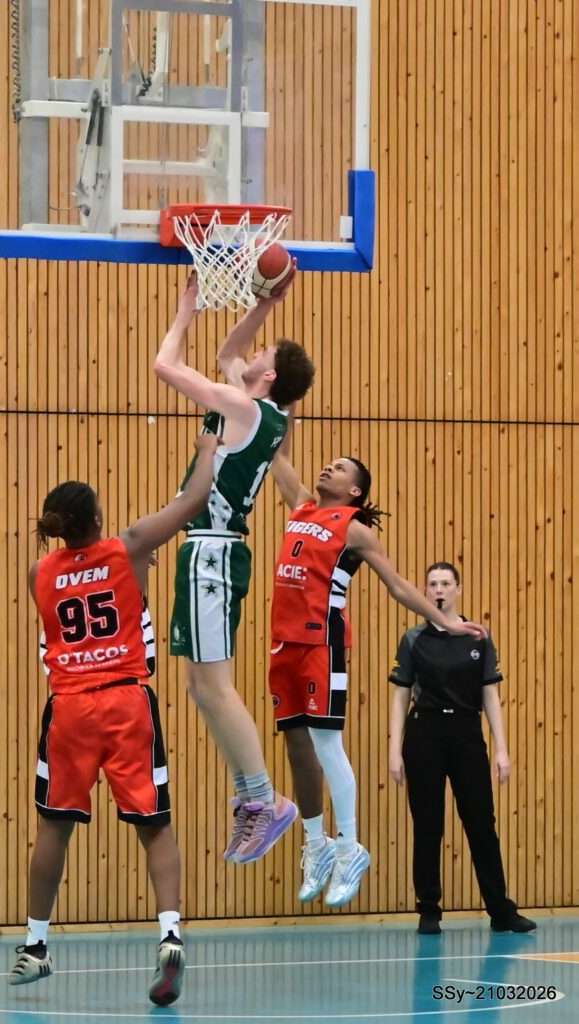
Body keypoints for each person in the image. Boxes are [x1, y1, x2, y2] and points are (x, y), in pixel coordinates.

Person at [8, 433, 219, 1006]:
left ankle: (36, 946)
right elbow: (195, 499)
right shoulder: (128, 548)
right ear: (98, 518)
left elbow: (80, 581)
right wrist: (206, 449)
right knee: (155, 825)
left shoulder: (39, 571)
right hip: (126, 701)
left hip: (70, 708)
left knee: (55, 826)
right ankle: (170, 935)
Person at [269, 446, 488, 907]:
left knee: (326, 744)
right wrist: (278, 407)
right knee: (296, 746)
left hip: (322, 643)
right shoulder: (302, 505)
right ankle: (316, 844)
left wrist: (446, 623)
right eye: (329, 462)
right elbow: (276, 454)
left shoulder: (354, 529)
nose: (328, 466)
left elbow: (399, 586)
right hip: (283, 643)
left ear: (354, 491)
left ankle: (349, 848)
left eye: (341, 468)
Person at [153, 268, 315, 864]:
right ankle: (252, 794)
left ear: (267, 375)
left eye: (264, 351)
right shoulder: (259, 411)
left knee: (215, 687)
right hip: (209, 549)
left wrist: (186, 312)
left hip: (214, 552)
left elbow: (166, 366)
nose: (254, 351)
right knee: (200, 688)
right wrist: (264, 305)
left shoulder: (245, 409)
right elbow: (229, 354)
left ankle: (265, 799)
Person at [388, 561, 536, 935]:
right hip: (425, 734)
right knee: (428, 824)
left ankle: (500, 910)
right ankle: (429, 910)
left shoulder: (478, 637)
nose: (439, 590)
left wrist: (501, 748)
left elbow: (491, 694)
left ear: (459, 589)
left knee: (481, 823)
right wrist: (394, 750)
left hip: (466, 732)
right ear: (425, 591)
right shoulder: (413, 639)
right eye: (432, 584)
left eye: (445, 583)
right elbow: (401, 695)